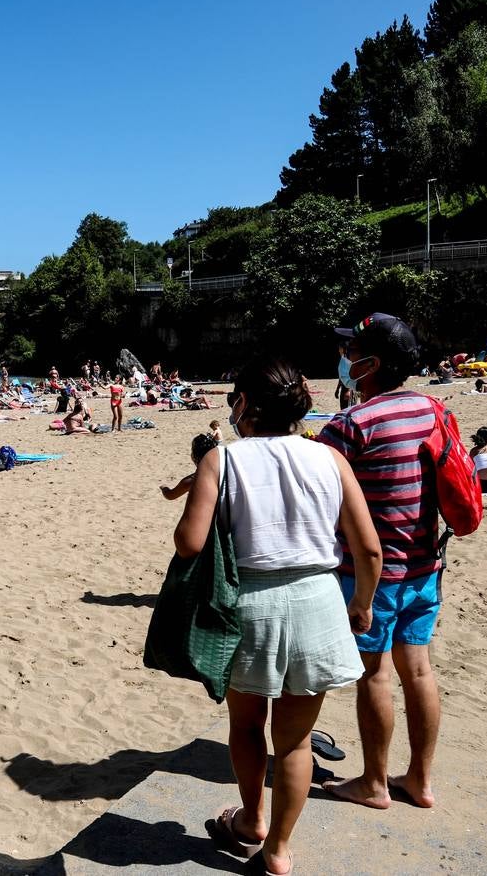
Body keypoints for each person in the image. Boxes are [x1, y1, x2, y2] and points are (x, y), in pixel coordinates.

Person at [176, 357, 380, 876]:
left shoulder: (222, 460)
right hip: (317, 602)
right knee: (293, 741)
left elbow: (189, 542)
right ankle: (279, 852)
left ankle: (250, 821)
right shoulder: (330, 459)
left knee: (247, 726)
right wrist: (362, 604)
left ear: (243, 403)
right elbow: (369, 549)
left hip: (251, 608)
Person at [318, 313, 445, 811]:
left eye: (352, 352)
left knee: (375, 675)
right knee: (419, 672)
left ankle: (373, 782)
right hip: (424, 568)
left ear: (369, 363)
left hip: (372, 575)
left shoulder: (353, 424)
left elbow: (317, 497)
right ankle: (419, 779)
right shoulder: (435, 410)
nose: (345, 360)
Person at [159, 432, 219, 500]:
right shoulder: (224, 468)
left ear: (194, 456)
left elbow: (170, 495)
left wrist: (164, 488)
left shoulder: (194, 479)